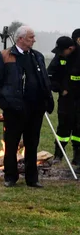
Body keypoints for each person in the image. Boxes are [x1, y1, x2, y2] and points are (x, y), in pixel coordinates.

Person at [0, 25, 54, 187]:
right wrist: (5, 104)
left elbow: (44, 80)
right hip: (15, 109)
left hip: (35, 109)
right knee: (11, 144)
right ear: (20, 39)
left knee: (32, 144)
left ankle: (32, 179)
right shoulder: (5, 56)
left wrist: (47, 101)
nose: (34, 40)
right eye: (31, 37)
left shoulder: (37, 56)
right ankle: (10, 177)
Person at [47, 35, 79, 164]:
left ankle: (78, 157)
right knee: (63, 127)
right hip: (65, 99)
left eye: (62, 51)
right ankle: (59, 154)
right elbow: (49, 75)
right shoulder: (60, 57)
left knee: (78, 128)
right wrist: (60, 89)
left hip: (79, 99)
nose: (60, 53)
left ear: (70, 48)